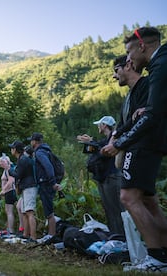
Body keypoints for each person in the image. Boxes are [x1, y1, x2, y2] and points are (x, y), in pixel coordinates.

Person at [101, 27, 167, 272]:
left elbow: (151, 116)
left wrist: (119, 142)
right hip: (146, 145)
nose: (128, 59)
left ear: (141, 46)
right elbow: (141, 116)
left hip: (144, 146)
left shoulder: (155, 71)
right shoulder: (140, 87)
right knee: (149, 202)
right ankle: (162, 255)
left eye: (129, 54)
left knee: (128, 197)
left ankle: (156, 257)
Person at [77, 116, 125, 235]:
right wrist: (89, 142)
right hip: (103, 178)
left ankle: (122, 237)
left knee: (116, 209)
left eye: (99, 124)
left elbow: (105, 151)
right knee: (109, 209)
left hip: (112, 177)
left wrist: (91, 142)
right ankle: (114, 235)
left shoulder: (114, 139)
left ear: (104, 125)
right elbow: (94, 149)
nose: (98, 126)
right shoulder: (104, 140)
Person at [28, 133, 62, 243]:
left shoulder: (39, 152)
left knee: (48, 210)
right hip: (47, 183)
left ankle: (51, 235)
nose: (30, 143)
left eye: (31, 140)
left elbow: (48, 166)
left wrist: (52, 182)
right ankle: (50, 233)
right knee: (49, 208)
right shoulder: (46, 150)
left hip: (46, 183)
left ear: (35, 142)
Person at [8, 140, 38, 243]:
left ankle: (33, 237)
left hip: (29, 187)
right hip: (27, 187)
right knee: (25, 212)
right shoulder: (23, 159)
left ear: (15, 149)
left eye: (12, 148)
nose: (11, 149)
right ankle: (25, 234)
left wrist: (9, 170)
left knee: (29, 212)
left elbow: (18, 175)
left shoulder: (23, 160)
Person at [0, 154, 17, 237]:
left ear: (6, 162)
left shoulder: (9, 169)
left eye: (1, 162)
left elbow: (11, 181)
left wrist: (3, 190)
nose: (0, 163)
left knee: (9, 211)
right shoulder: (5, 170)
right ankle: (9, 228)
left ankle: (11, 230)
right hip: (8, 192)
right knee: (8, 211)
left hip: (10, 191)